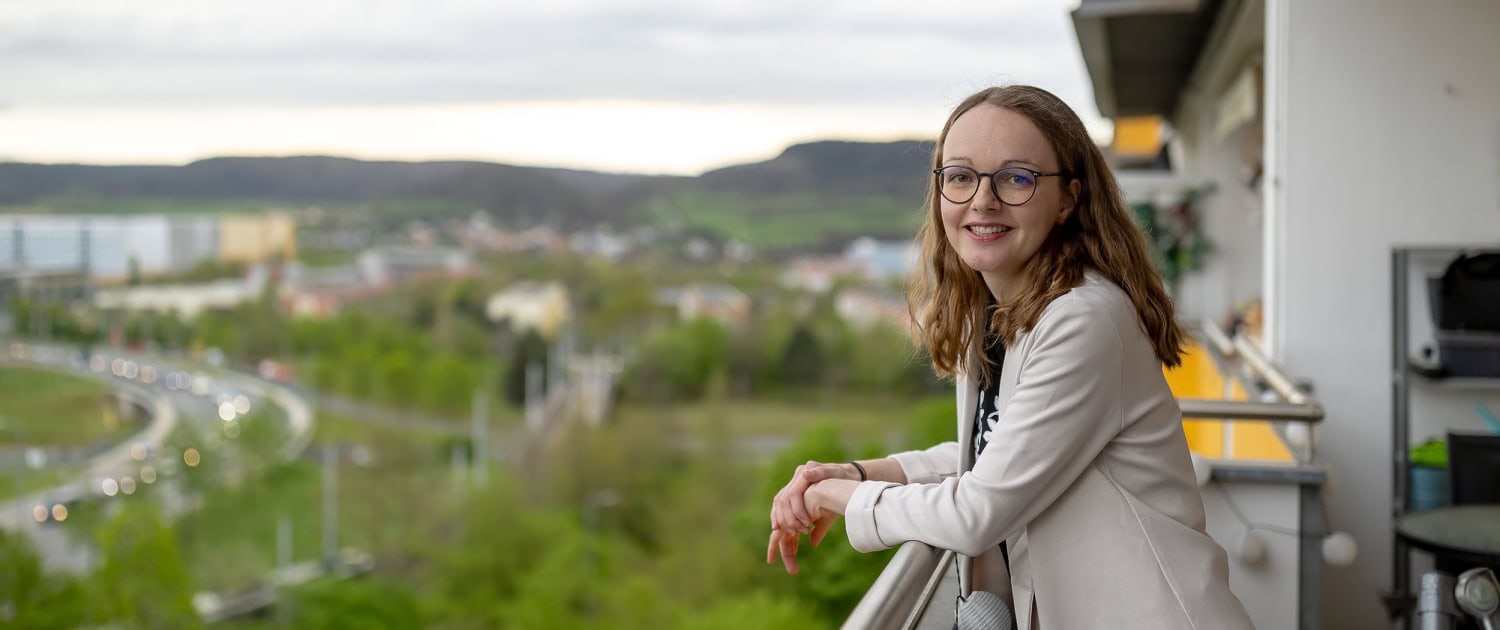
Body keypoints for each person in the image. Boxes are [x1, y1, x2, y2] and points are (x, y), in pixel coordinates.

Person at [766, 85, 1254, 630]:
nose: (982, 200)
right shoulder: (999, 315)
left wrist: (839, 496)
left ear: (1068, 198)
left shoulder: (1084, 319)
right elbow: (998, 454)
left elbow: (977, 512)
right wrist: (857, 471)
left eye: (1016, 178)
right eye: (960, 176)